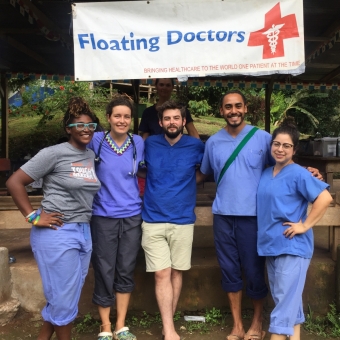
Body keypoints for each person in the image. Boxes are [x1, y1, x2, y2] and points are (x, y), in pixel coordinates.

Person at [197, 90, 322, 340]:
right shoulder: (212, 143)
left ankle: (256, 322)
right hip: (223, 216)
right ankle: (237, 325)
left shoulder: (263, 138)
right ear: (221, 111)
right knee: (229, 270)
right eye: (228, 107)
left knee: (254, 270)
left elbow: (282, 161)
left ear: (245, 109)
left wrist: (310, 174)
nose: (233, 111)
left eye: (238, 106)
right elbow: (204, 174)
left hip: (254, 218)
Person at [6, 97, 101, 340]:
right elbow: (14, 182)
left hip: (83, 231)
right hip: (57, 232)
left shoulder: (90, 156)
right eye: (79, 125)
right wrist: (34, 216)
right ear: (68, 129)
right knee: (63, 297)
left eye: (90, 125)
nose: (86, 130)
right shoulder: (53, 153)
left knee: (66, 296)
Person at [257, 122, 332, 340]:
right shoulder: (265, 173)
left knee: (282, 309)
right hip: (271, 245)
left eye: (286, 146)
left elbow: (324, 198)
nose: (280, 149)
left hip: (292, 247)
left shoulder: (299, 174)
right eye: (277, 144)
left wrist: (305, 225)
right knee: (288, 303)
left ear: (294, 150)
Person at [141, 100, 204, 340]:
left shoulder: (195, 145)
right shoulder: (149, 144)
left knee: (177, 272)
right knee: (161, 273)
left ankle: (169, 321)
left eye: (176, 118)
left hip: (183, 218)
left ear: (183, 121)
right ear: (160, 123)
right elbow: (134, 166)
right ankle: (169, 330)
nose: (172, 122)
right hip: (153, 217)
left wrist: (190, 181)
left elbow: (209, 168)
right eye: (167, 119)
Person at [87, 95, 144, 340]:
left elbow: (140, 172)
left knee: (125, 268)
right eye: (117, 116)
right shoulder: (96, 141)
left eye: (127, 116)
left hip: (132, 215)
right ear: (108, 118)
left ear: (132, 120)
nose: (122, 121)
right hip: (103, 216)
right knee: (103, 268)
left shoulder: (137, 142)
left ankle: (121, 325)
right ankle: (105, 326)